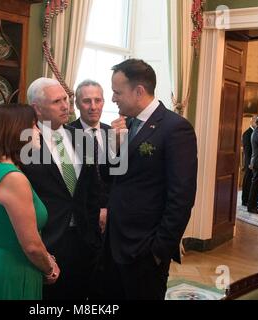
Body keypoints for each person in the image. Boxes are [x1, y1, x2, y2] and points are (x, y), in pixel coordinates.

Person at [105, 59, 198, 300]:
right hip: (115, 242)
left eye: (117, 92)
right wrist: (115, 150)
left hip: (145, 249)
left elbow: (182, 196)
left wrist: (159, 250)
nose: (113, 98)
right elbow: (120, 178)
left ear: (138, 92)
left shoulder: (175, 128)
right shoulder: (125, 124)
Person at [0, 104, 59, 300]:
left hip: (2, 265)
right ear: (17, 131)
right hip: (9, 274)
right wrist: (49, 267)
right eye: (33, 126)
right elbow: (31, 246)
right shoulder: (12, 178)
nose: (38, 131)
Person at [21, 77, 102, 300]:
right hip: (47, 242)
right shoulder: (24, 143)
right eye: (57, 101)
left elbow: (92, 190)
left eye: (66, 99)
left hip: (84, 240)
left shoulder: (82, 139)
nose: (66, 106)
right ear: (37, 108)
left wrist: (94, 233)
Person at [70, 79, 111, 234]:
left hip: (110, 216)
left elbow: (117, 178)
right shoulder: (65, 134)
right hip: (78, 218)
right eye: (87, 101)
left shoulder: (114, 134)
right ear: (77, 104)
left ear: (103, 102)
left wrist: (107, 208)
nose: (93, 107)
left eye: (98, 100)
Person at [241, 115, 257, 206]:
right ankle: (245, 200)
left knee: (251, 182)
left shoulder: (255, 132)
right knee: (247, 181)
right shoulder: (247, 133)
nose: (257, 123)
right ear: (251, 122)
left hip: (254, 161)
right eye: (256, 121)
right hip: (249, 162)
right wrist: (250, 163)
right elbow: (248, 151)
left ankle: (250, 200)